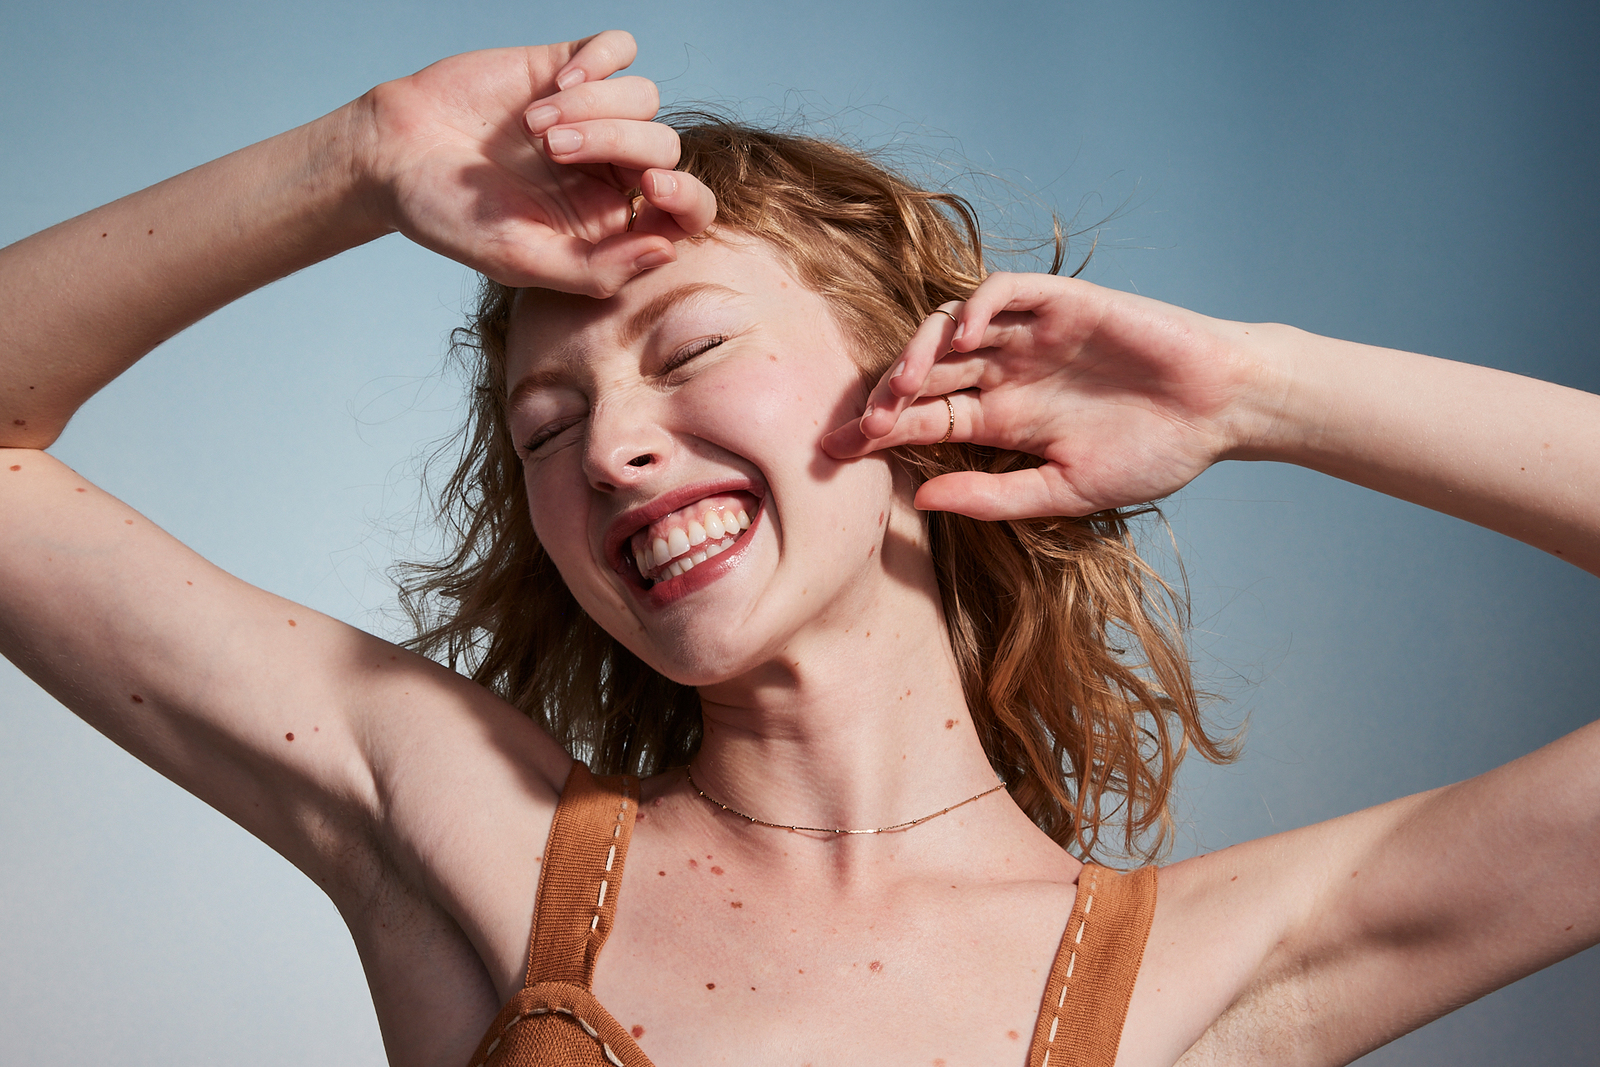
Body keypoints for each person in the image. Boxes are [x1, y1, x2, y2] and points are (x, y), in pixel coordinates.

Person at [1, 29, 1596, 1067]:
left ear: (926, 388)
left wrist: (1264, 390)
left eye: (690, 353)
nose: (612, 443)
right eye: (545, 427)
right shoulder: (465, 834)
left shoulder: (1203, 973)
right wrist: (349, 163)